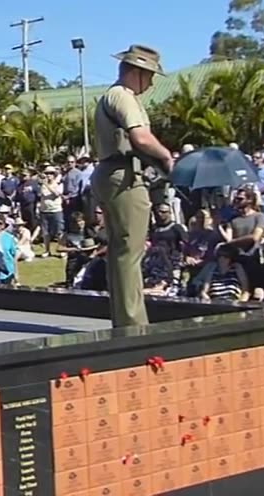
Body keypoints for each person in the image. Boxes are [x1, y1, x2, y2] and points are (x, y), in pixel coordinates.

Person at [90, 44, 174, 328]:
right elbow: (141, 138)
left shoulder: (111, 96)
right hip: (124, 176)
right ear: (135, 72)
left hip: (110, 173)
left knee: (119, 252)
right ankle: (133, 323)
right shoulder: (123, 97)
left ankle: (123, 318)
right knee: (130, 251)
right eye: (149, 75)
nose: (150, 83)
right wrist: (166, 156)